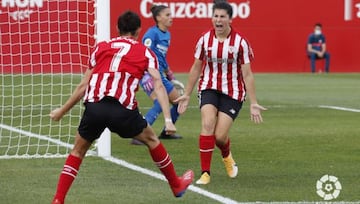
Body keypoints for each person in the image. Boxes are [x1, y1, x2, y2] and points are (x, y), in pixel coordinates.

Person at [50, 10, 193, 204]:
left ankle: (58, 199)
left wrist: (61, 111)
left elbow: (83, 86)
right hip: (122, 110)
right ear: (138, 31)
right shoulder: (145, 51)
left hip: (95, 107)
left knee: (77, 152)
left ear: (117, 29)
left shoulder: (101, 47)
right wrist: (168, 121)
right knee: (152, 140)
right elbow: (158, 84)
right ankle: (176, 185)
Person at [175, 0, 266, 185]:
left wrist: (254, 103)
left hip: (233, 92)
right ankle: (205, 173)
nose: (218, 20)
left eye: (222, 17)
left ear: (230, 19)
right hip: (209, 87)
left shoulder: (241, 42)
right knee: (207, 123)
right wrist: (187, 93)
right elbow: (196, 67)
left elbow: (247, 74)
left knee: (219, 137)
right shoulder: (204, 40)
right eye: (215, 16)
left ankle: (227, 155)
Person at [131, 4, 185, 145]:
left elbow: (161, 57)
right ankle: (140, 134)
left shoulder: (167, 34)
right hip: (151, 74)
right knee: (166, 102)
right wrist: (145, 76)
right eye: (167, 15)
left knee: (177, 103)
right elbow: (142, 54)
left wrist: (169, 74)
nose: (171, 18)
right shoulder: (151, 34)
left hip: (160, 74)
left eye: (170, 15)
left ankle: (166, 131)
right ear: (158, 18)